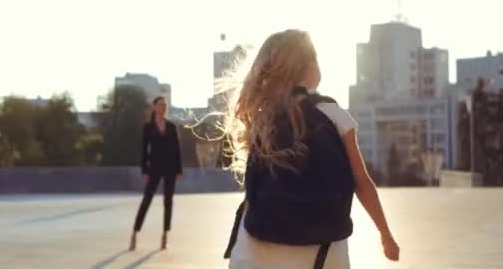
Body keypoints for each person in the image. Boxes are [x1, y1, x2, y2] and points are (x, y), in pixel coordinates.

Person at [223, 30, 400, 268]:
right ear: (307, 67)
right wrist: (385, 235)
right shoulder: (331, 112)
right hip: (321, 252)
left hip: (256, 246)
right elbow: (362, 181)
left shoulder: (262, 116)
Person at [129, 96, 183, 251]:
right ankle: (135, 232)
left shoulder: (172, 127)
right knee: (147, 200)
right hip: (154, 168)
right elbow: (144, 150)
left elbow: (177, 149)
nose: (163, 107)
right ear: (154, 107)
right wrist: (144, 170)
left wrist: (179, 170)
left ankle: (165, 234)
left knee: (168, 202)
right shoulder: (148, 127)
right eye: (160, 105)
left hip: (170, 168)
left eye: (165, 105)